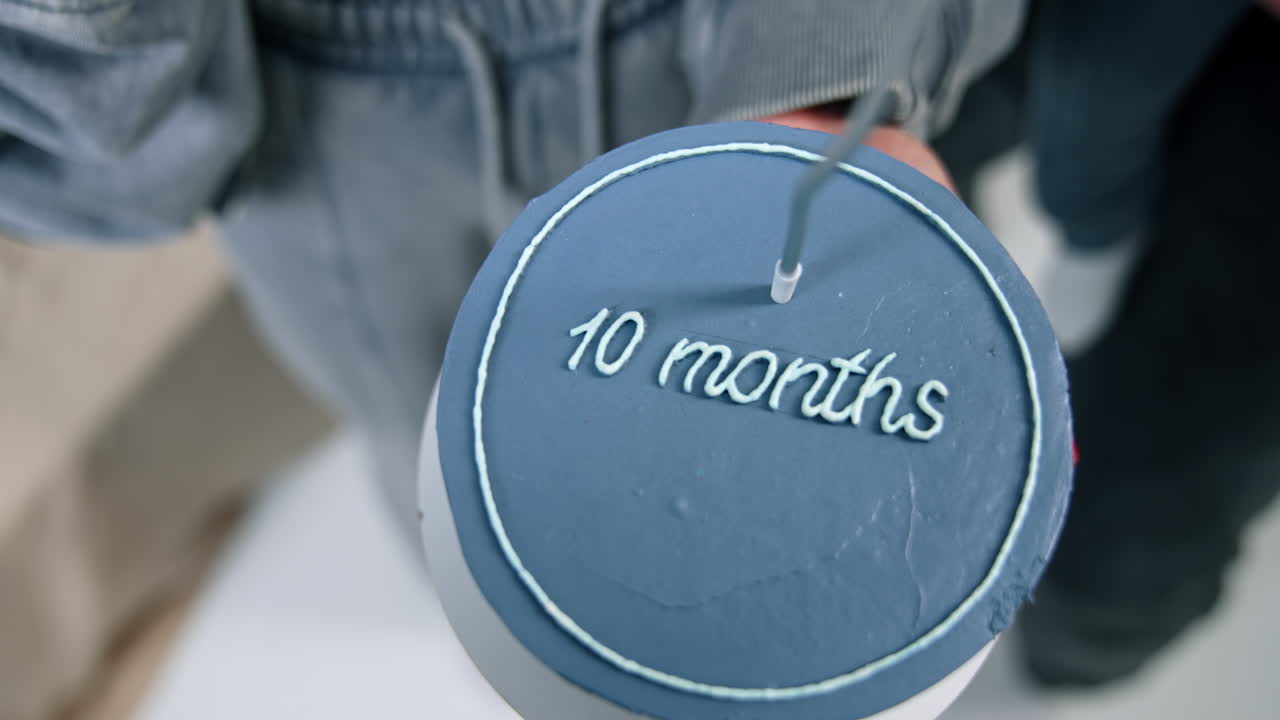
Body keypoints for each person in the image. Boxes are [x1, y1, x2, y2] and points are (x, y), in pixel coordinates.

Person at [1, 0, 1274, 709]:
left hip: (749, 46)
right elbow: (120, 177)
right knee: (454, 492)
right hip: (315, 132)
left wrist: (831, 71)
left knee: (832, 563)